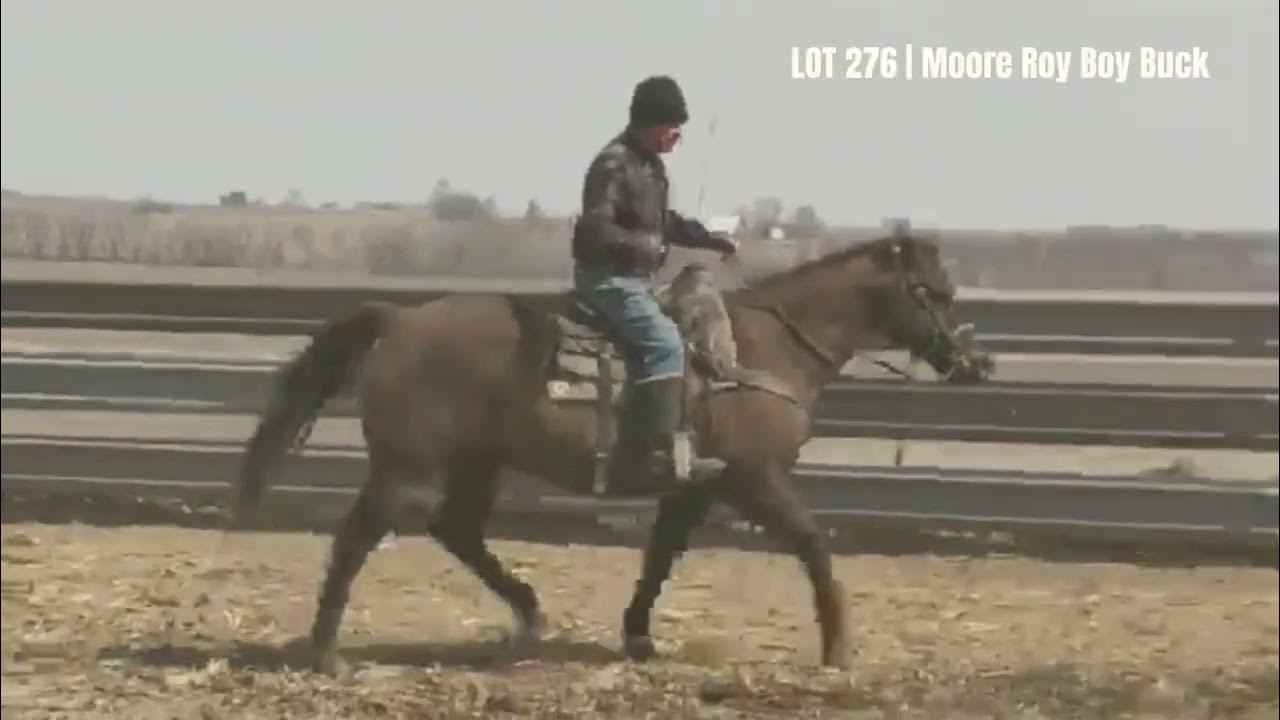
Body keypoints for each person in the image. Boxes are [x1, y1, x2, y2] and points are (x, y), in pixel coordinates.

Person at [570, 74, 739, 497]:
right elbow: (594, 230)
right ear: (648, 123)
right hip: (609, 281)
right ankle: (655, 458)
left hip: (637, 281)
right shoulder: (613, 164)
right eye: (672, 126)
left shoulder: (650, 167)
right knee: (665, 344)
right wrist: (647, 244)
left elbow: (666, 223)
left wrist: (708, 239)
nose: (678, 135)